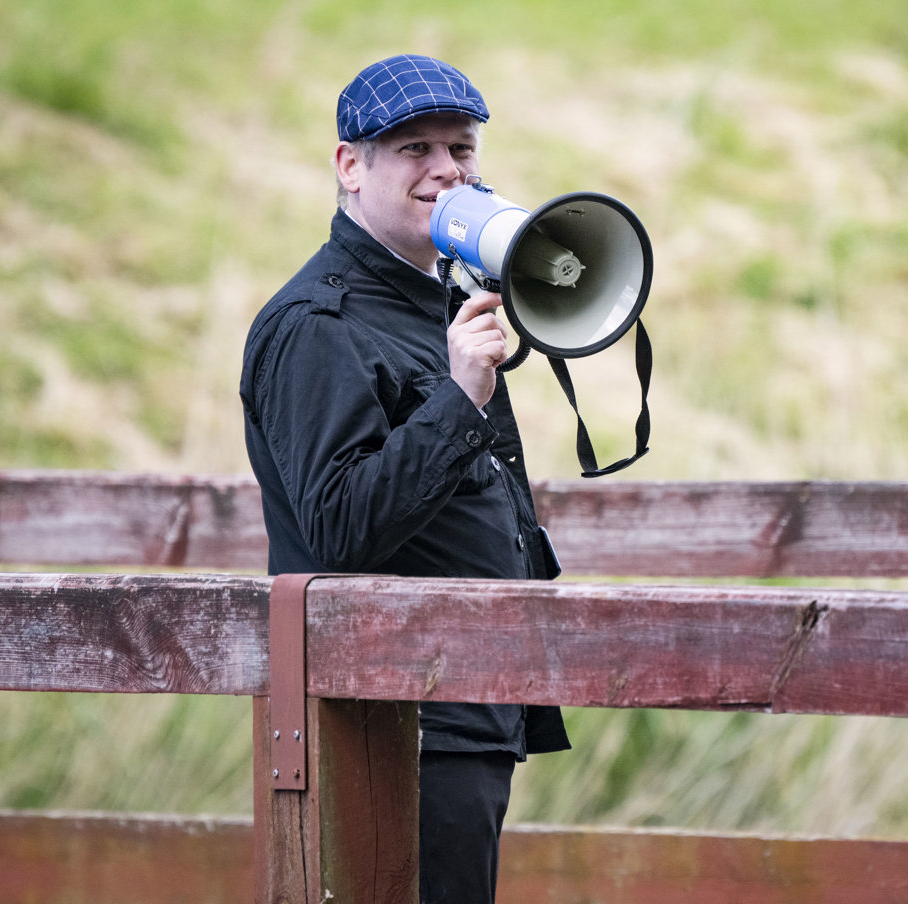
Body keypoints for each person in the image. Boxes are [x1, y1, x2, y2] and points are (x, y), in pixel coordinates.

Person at [239, 54, 570, 904]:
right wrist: (461, 396)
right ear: (350, 166)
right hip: (391, 719)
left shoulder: (440, 300)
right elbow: (341, 527)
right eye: (413, 148)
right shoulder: (316, 325)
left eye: (461, 149)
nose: (446, 171)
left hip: (468, 701)